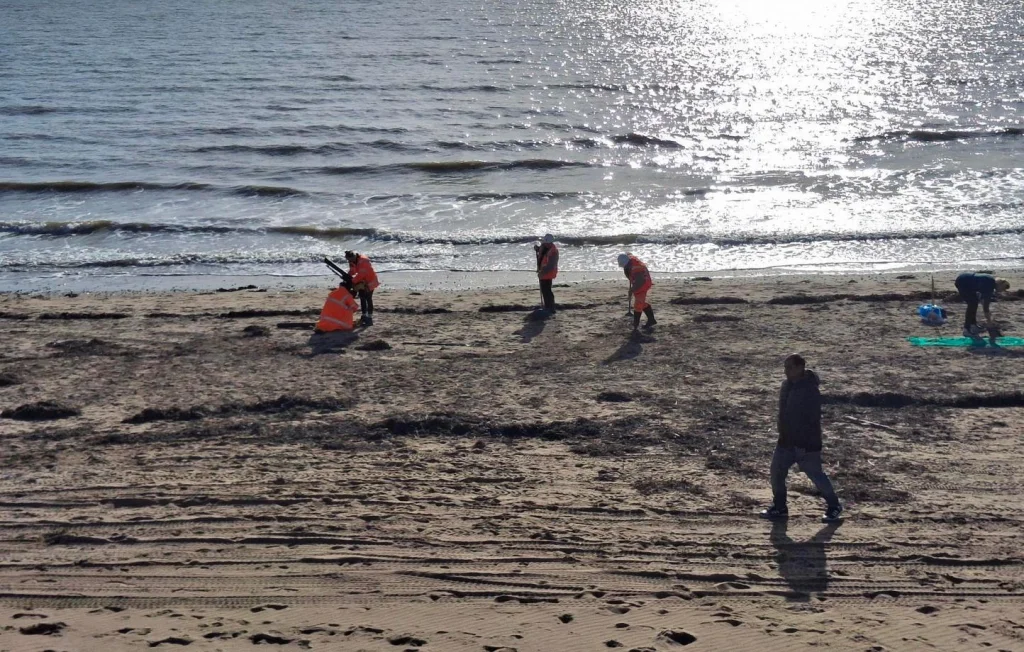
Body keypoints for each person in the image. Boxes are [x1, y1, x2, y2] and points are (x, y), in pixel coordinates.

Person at [761, 354, 843, 523]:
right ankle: (779, 507)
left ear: (800, 368)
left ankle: (834, 506)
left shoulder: (810, 390)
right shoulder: (786, 386)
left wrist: (803, 443)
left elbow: (811, 420)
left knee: (816, 476)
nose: (786, 371)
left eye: (790, 367)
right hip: (785, 441)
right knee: (776, 473)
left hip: (806, 444)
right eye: (785, 367)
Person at [954, 272, 1009, 338]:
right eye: (1003, 288)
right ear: (1000, 284)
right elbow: (986, 307)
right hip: (963, 282)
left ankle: (973, 325)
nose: (1002, 291)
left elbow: (983, 300)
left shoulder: (991, 280)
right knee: (972, 304)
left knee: (974, 302)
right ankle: (966, 329)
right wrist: (989, 322)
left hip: (967, 280)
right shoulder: (990, 285)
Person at [617, 252, 656, 331]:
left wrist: (632, 290)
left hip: (643, 283)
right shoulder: (629, 258)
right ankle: (652, 320)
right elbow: (628, 253)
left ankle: (635, 325)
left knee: (638, 304)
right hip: (638, 280)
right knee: (641, 302)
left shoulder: (637, 269)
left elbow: (640, 281)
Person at [345, 250, 380, 326]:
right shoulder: (353, 261)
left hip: (370, 281)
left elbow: (361, 274)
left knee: (368, 298)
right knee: (362, 297)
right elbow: (353, 271)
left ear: (354, 257)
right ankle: (364, 315)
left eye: (350, 260)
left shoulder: (363, 261)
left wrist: (352, 281)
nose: (349, 261)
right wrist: (348, 276)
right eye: (348, 260)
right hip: (362, 282)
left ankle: (369, 317)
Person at [535, 234, 559, 314]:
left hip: (548, 273)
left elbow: (550, 266)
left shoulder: (554, 252)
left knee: (547, 290)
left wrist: (542, 272)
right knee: (544, 290)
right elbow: (542, 252)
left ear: (550, 243)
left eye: (546, 243)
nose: (545, 244)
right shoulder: (546, 247)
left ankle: (550, 307)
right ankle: (547, 306)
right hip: (543, 272)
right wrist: (537, 249)